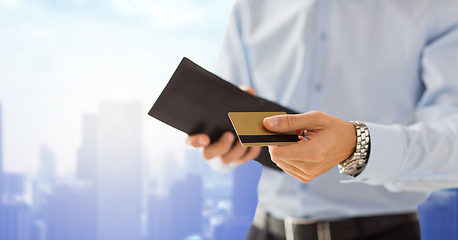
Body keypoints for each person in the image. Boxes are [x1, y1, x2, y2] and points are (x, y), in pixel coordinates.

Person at [186, 0, 458, 239]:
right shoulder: (251, 6)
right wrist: (224, 147)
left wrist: (358, 146)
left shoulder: (436, 6)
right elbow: (227, 120)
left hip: (380, 232)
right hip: (265, 229)